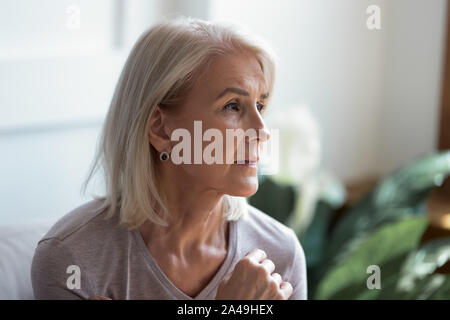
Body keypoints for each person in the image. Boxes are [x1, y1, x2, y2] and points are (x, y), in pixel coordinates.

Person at [31, 17, 307, 300]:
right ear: (161, 129)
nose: (262, 131)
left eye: (260, 105)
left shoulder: (281, 255)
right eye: (232, 106)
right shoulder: (72, 260)